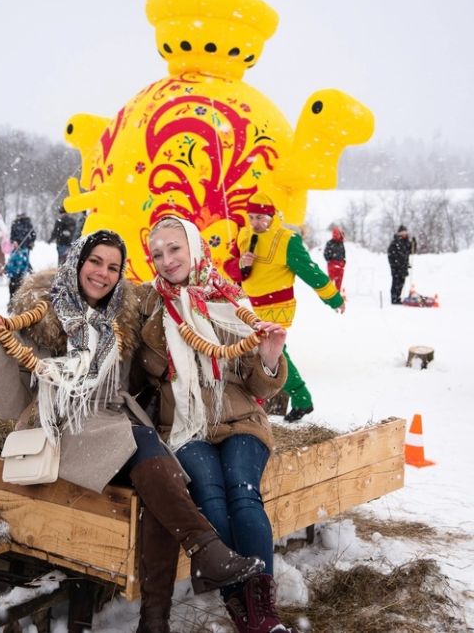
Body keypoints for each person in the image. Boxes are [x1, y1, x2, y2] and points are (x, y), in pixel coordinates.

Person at [0, 229, 264, 633]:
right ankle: (203, 550)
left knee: (160, 478)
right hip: (59, 426)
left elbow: (150, 367)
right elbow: (7, 406)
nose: (103, 274)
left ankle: (156, 619)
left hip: (114, 426)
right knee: (150, 451)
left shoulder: (121, 321)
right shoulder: (37, 316)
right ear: (76, 261)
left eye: (113, 267)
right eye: (95, 262)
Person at [132, 216, 297, 633]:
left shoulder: (229, 299)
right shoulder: (147, 307)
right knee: (209, 496)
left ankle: (262, 608)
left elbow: (260, 385)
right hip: (186, 427)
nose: (167, 261)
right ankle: (238, 605)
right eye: (157, 254)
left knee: (242, 492)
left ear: (193, 247)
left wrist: (270, 357)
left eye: (174, 249)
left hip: (240, 420)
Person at [224, 193, 345, 423]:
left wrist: (333, 298)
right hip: (252, 307)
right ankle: (267, 400)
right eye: (251, 217)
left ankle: (300, 398)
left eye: (260, 217)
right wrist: (240, 265)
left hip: (277, 307)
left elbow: (310, 271)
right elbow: (229, 267)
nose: (255, 222)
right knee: (260, 353)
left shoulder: (287, 239)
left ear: (271, 216)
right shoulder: (243, 234)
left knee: (274, 352)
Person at [387, 225, 414, 304]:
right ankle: (394, 298)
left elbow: (411, 250)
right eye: (402, 233)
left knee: (402, 282)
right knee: (396, 282)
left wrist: (414, 243)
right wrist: (395, 264)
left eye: (405, 232)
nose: (404, 234)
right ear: (399, 233)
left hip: (404, 266)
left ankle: (398, 297)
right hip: (396, 267)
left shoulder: (407, 242)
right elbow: (390, 255)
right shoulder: (395, 242)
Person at [3, 241, 30, 308]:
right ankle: (11, 301)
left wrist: (21, 271)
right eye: (13, 243)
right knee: (11, 288)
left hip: (19, 274)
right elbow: (10, 263)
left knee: (18, 288)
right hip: (12, 275)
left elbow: (25, 264)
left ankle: (17, 302)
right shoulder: (13, 252)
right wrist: (7, 268)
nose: (14, 244)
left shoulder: (22, 253)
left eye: (16, 243)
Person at [323, 227, 346, 292]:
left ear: (339, 234)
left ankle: (337, 294)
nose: (335, 236)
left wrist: (344, 261)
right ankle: (329, 293)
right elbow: (325, 253)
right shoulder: (330, 243)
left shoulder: (341, 243)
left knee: (339, 281)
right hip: (332, 264)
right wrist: (330, 260)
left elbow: (343, 253)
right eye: (334, 234)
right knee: (330, 281)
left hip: (340, 265)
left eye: (337, 234)